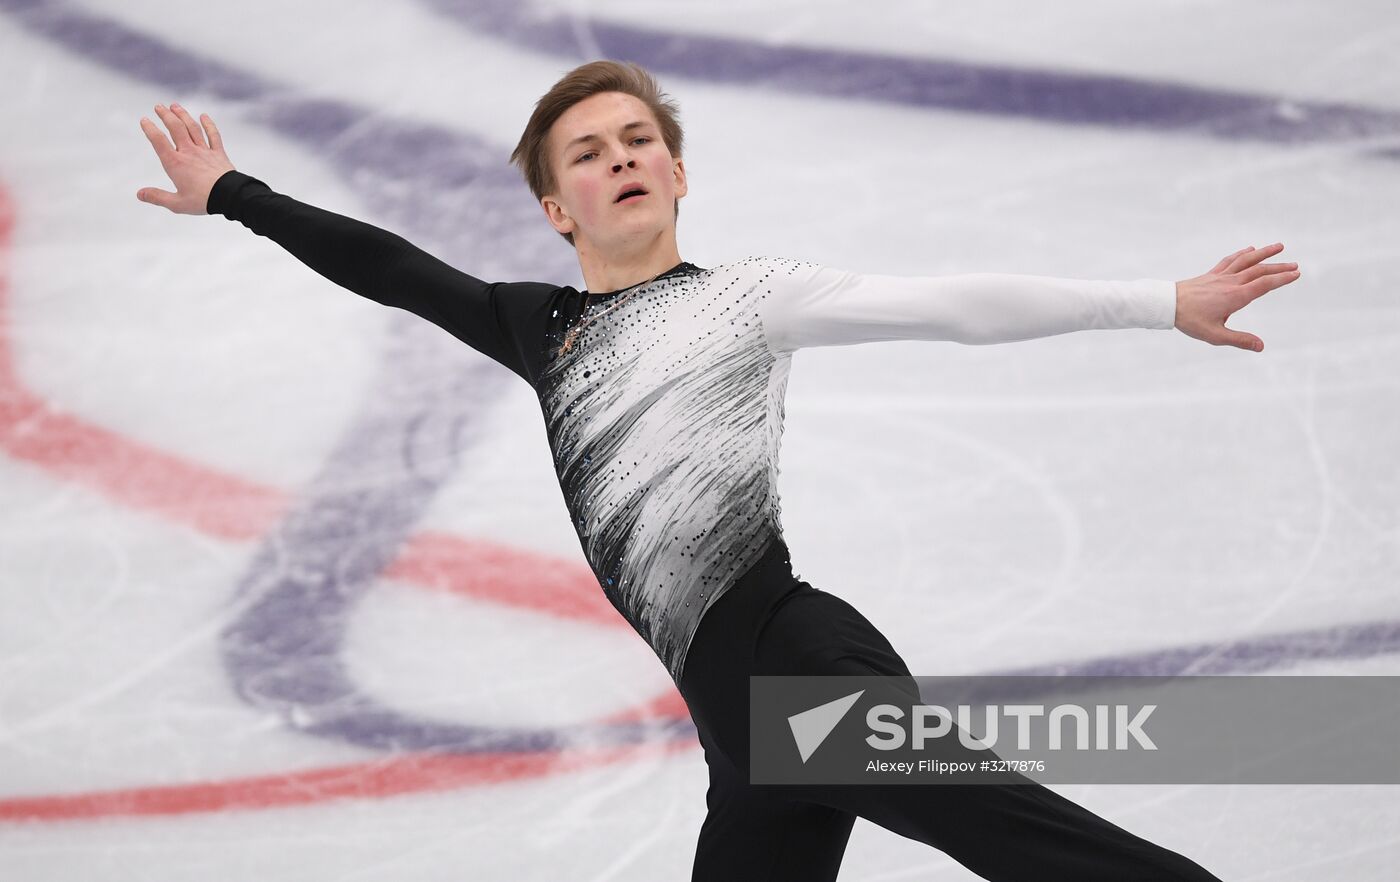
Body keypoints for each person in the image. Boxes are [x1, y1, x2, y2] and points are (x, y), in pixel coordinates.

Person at [138, 58, 1297, 880]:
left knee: (1018, 838)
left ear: (678, 175)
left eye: (640, 141)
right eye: (588, 154)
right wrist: (235, 197)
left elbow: (952, 306)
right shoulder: (540, 328)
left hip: (797, 667)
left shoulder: (748, 299)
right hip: (736, 717)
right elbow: (389, 264)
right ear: (556, 206)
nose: (622, 159)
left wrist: (1157, 302)